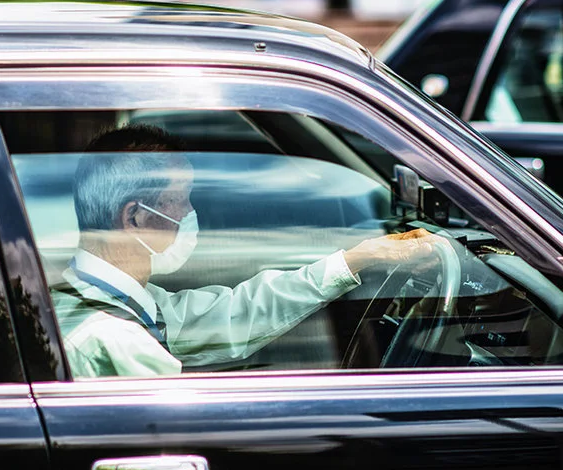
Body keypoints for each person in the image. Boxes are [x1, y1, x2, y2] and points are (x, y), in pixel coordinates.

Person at [52, 126, 438, 379]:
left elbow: (236, 313)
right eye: (180, 200)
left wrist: (355, 260)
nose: (189, 214)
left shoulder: (105, 302)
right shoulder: (113, 338)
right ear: (135, 217)